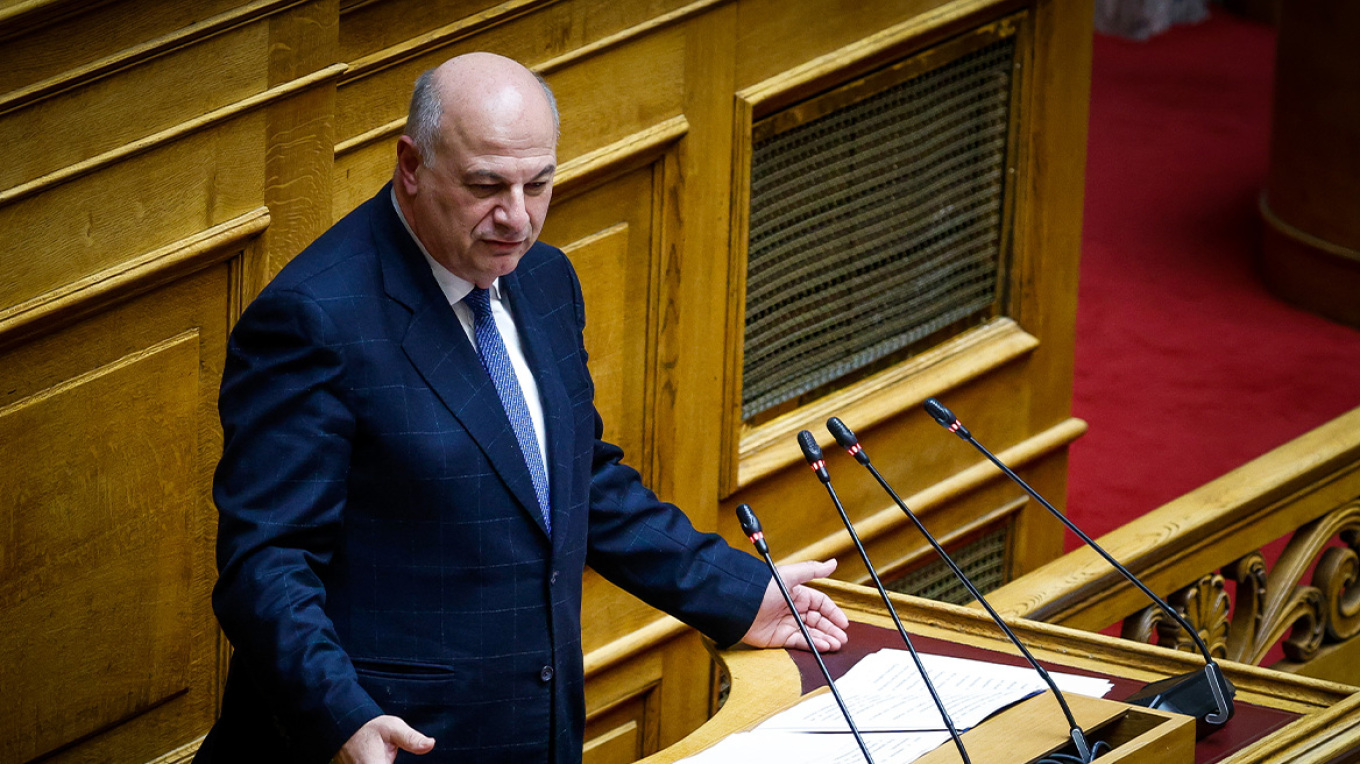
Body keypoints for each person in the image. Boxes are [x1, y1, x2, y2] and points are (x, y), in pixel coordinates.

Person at [195, 52, 848, 764]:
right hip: (389, 742)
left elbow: (574, 480)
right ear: (411, 166)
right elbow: (266, 561)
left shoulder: (543, 277)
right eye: (485, 186)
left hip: (535, 731)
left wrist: (740, 595)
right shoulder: (314, 319)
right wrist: (341, 718)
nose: (516, 217)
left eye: (538, 184)